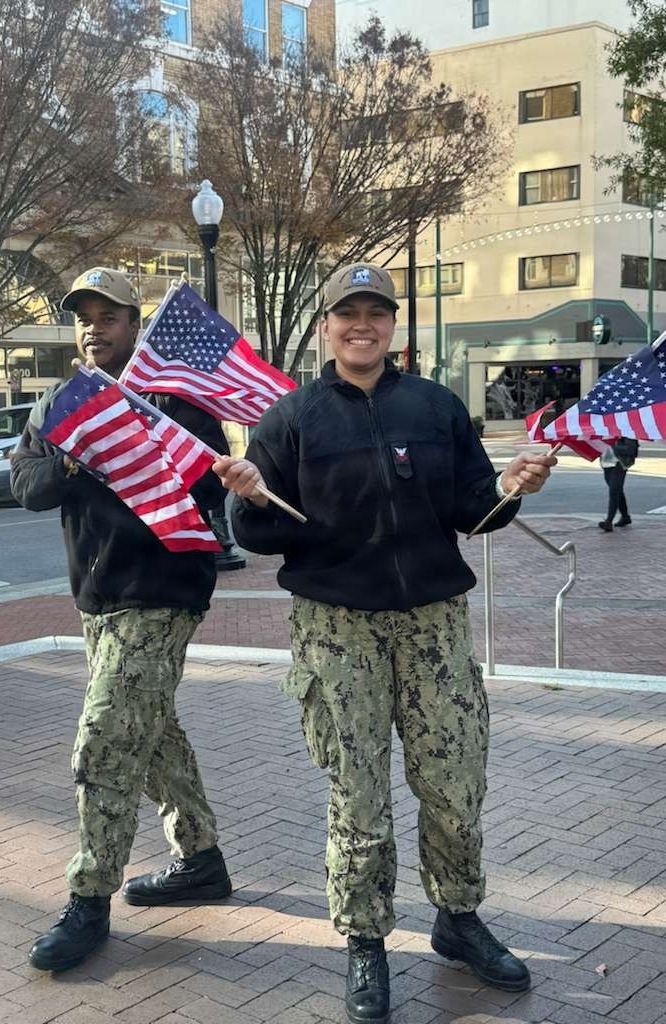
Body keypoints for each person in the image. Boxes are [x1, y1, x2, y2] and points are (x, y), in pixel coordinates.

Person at [213, 263, 556, 1024]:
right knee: (358, 792)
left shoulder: (435, 408)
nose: (360, 324)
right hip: (337, 627)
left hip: (434, 621)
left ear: (393, 325)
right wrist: (244, 491)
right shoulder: (291, 418)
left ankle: (458, 919)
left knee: (456, 783)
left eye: (375, 312)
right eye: (347, 313)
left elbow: (473, 510)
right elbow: (262, 532)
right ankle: (366, 939)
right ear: (325, 326)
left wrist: (514, 484)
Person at [11, 267, 232, 973]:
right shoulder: (61, 403)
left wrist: (128, 437)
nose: (94, 327)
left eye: (109, 316)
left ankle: (88, 899)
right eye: (84, 316)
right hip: (97, 600)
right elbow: (28, 486)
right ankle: (200, 860)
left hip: (163, 594)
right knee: (153, 733)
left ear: (135, 325)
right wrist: (78, 461)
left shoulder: (175, 401)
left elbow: (200, 484)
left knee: (105, 739)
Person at [598, 437, 638, 531]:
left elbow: (631, 450)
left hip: (620, 463)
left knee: (614, 490)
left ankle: (608, 521)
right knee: (617, 491)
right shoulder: (601, 428)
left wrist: (611, 443)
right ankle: (625, 517)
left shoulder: (625, 429)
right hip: (606, 463)